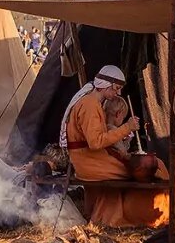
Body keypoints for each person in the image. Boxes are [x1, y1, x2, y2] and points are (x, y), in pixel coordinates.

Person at [61, 65, 169, 228]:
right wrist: (126, 128)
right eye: (116, 88)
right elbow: (96, 142)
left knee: (140, 164)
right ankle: (143, 213)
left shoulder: (92, 103)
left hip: (88, 159)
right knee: (143, 168)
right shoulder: (90, 104)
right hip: (89, 162)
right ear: (106, 85)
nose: (117, 93)